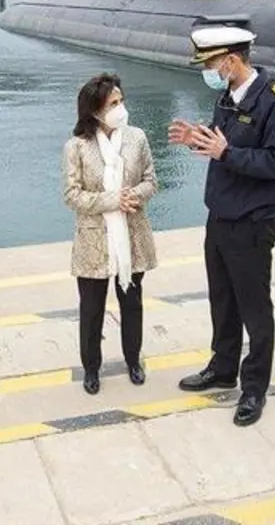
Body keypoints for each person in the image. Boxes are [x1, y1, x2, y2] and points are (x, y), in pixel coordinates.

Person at [168, 20, 275, 427]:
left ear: (230, 61)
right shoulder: (227, 98)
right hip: (220, 215)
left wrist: (227, 153)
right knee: (222, 299)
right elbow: (222, 146)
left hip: (251, 221)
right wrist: (199, 140)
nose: (207, 72)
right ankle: (223, 366)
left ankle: (255, 387)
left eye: (210, 64)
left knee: (254, 308)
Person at [61, 73, 159, 395]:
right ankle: (91, 368)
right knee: (91, 310)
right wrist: (113, 200)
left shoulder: (137, 138)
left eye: (121, 101)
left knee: (132, 304)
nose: (120, 108)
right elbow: (72, 195)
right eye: (113, 103)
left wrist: (134, 196)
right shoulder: (76, 147)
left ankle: (133, 360)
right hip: (94, 241)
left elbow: (151, 181)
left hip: (131, 237)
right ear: (95, 110)